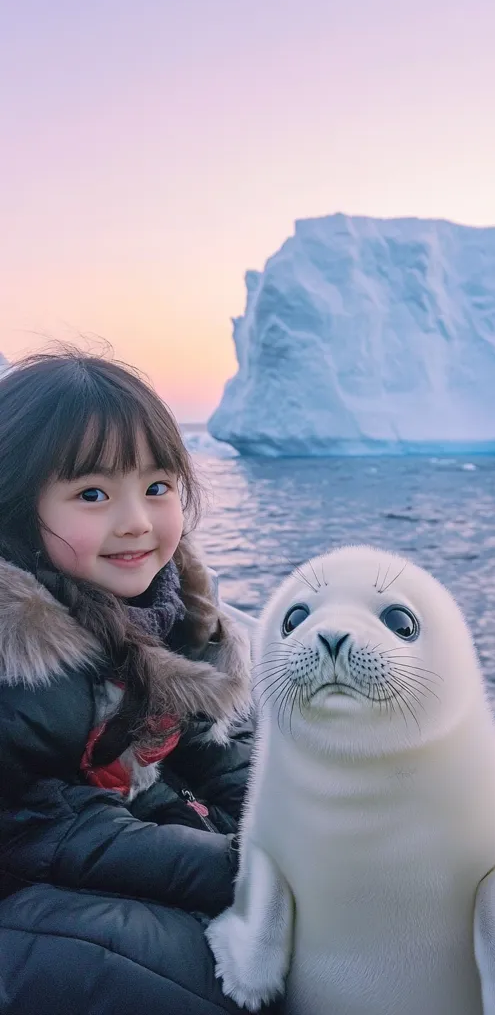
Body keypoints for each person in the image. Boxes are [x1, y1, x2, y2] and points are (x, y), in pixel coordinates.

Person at [0, 350, 279, 1015]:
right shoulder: (20, 657)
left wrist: (279, 834)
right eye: (92, 495)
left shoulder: (173, 610)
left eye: (158, 487)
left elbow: (217, 746)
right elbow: (43, 827)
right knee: (136, 967)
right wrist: (242, 869)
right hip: (24, 873)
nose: (136, 522)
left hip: (121, 833)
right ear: (16, 505)